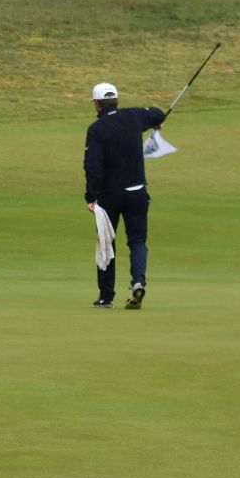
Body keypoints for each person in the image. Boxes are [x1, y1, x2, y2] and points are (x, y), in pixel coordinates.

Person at [83, 82, 166, 309]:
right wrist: (155, 122)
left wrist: (90, 197)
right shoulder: (134, 116)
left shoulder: (96, 130)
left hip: (110, 196)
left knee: (106, 243)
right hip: (137, 192)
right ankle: (138, 282)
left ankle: (106, 297)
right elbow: (158, 113)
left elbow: (92, 166)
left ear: (97, 104)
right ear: (116, 101)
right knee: (138, 241)